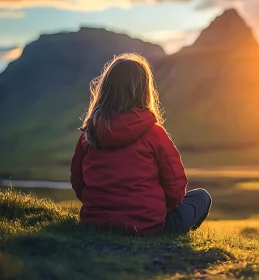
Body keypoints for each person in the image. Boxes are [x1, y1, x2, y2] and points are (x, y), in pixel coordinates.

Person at [70, 53, 211, 235]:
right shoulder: (154, 133)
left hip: (96, 224)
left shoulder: (89, 135)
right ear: (144, 90)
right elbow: (176, 186)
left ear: (105, 89)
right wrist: (157, 210)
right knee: (201, 197)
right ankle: (173, 240)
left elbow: (77, 181)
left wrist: (102, 208)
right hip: (148, 227)